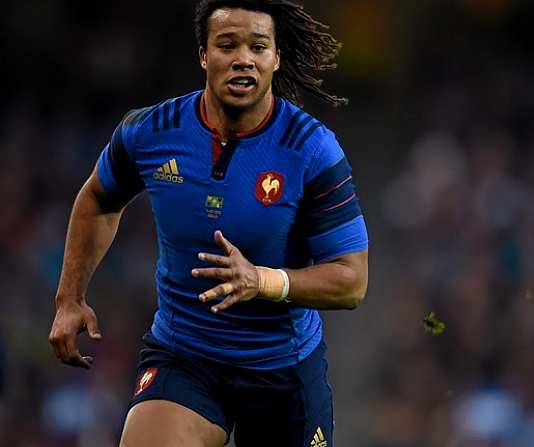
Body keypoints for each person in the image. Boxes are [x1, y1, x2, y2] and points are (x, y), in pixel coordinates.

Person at [47, 1, 368, 445]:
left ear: (276, 58)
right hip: (185, 356)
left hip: (281, 369)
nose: (243, 57)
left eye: (258, 46)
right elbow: (99, 198)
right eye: (227, 44)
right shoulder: (152, 131)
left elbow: (352, 282)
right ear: (203, 55)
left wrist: (263, 280)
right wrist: (69, 297)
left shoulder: (312, 151)